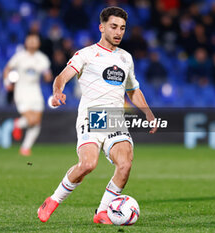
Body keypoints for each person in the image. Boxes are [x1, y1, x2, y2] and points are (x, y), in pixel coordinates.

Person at [37, 6, 157, 224]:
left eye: (122, 28)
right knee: (88, 165)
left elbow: (132, 90)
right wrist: (57, 92)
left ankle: (102, 212)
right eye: (113, 27)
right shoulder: (86, 54)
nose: (118, 32)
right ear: (101, 27)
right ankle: (52, 200)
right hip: (91, 117)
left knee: (125, 164)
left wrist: (148, 112)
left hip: (115, 118)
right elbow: (62, 77)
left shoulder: (126, 58)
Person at [3, 33, 52, 156]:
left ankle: (25, 148)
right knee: (31, 119)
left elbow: (47, 74)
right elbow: (7, 68)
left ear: (38, 43)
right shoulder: (19, 57)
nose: (32, 42)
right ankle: (18, 123)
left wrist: (47, 76)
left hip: (35, 91)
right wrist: (6, 82)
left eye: (35, 40)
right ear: (26, 42)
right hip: (21, 91)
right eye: (30, 40)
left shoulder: (42, 58)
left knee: (37, 121)